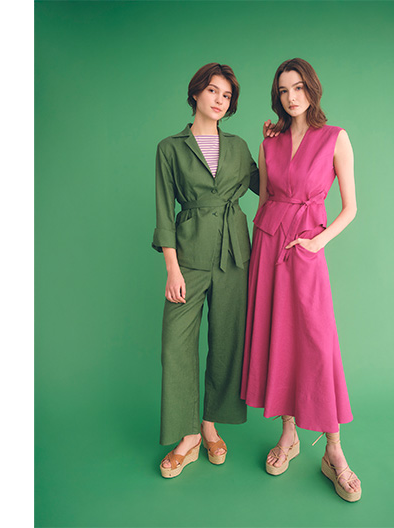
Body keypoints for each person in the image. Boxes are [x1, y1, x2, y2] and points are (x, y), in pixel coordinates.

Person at [241, 58, 362, 501]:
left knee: (316, 341)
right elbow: (264, 201)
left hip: (306, 249)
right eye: (283, 90)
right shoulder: (268, 142)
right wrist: (253, 255)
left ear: (312, 89)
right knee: (279, 337)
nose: (291, 97)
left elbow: (350, 207)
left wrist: (318, 242)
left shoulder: (335, 138)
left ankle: (334, 450)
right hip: (267, 246)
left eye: (298, 87)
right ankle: (288, 434)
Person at [153, 63, 259, 478]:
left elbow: (269, 186)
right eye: (213, 91)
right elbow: (164, 211)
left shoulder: (239, 146)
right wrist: (172, 268)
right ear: (196, 93)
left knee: (228, 341)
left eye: (227, 95)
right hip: (188, 257)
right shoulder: (170, 148)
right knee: (176, 346)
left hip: (234, 255)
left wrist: (277, 145)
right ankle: (188, 435)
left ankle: (210, 425)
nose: (219, 100)